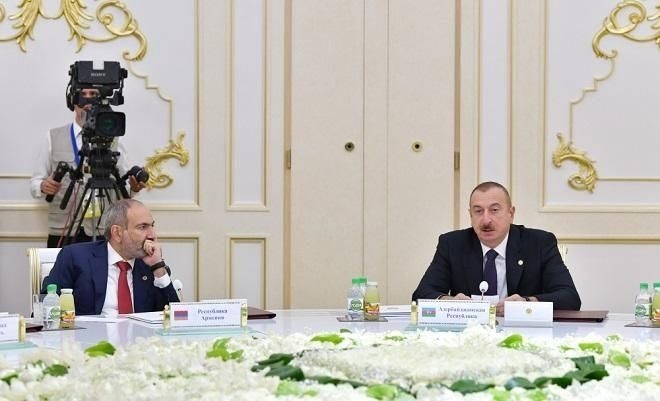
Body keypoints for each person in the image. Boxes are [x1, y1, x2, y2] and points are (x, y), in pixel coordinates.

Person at [412, 181, 581, 315]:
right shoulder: (452, 244)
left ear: (510, 213)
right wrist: (449, 301)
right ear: (470, 214)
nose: (486, 220)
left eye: (494, 210)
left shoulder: (539, 243)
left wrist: (527, 303)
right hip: (469, 334)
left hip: (524, 332)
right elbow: (420, 295)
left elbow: (570, 298)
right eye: (478, 211)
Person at [30, 87, 146, 248]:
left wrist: (133, 188)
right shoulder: (53, 136)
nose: (88, 101)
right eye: (83, 95)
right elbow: (35, 183)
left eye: (93, 95)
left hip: (103, 229)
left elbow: (124, 186)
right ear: (72, 100)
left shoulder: (113, 139)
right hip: (64, 230)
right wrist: (43, 186)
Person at [46, 199, 179, 315]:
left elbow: (175, 317)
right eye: (142, 227)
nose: (152, 235)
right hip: (89, 335)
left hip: (139, 335)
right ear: (117, 233)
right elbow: (47, 304)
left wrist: (158, 268)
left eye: (152, 226)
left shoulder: (151, 265)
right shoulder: (75, 257)